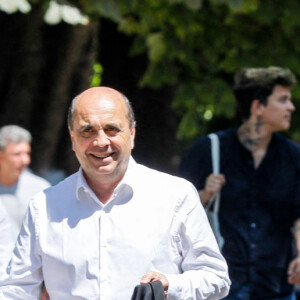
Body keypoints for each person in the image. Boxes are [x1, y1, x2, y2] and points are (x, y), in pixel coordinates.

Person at [0, 87, 230, 299]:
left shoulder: (175, 196)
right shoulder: (45, 205)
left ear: (132, 134)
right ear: (73, 139)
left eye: (112, 129)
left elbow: (216, 278)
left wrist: (170, 285)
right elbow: (17, 287)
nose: (100, 142)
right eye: (87, 131)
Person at [179, 66, 300, 299]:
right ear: (258, 107)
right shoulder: (209, 150)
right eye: (283, 100)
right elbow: (176, 214)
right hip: (221, 287)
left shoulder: (293, 157)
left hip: (275, 286)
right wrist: (205, 193)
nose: (291, 107)